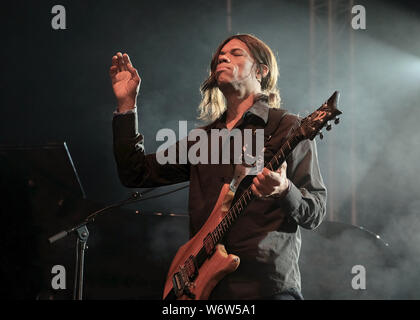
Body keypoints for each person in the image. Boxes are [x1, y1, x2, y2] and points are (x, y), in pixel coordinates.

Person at [110, 34, 327, 300]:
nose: (223, 57)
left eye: (236, 53)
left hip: (263, 288)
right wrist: (126, 105)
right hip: (202, 287)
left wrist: (284, 189)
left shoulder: (288, 127)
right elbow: (135, 172)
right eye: (220, 56)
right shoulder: (203, 139)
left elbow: (314, 211)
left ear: (260, 70)